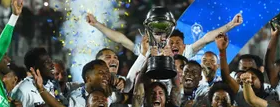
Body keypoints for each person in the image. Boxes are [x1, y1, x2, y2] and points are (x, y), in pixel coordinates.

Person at [85, 12, 243, 59]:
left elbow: (207, 38)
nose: (173, 45)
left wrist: (230, 25)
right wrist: (97, 24)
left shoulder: (186, 52)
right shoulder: (148, 50)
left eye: (177, 42)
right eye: (170, 41)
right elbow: (121, 39)